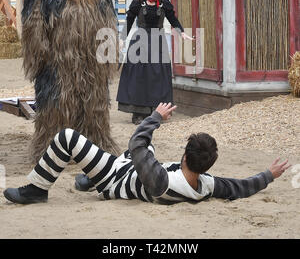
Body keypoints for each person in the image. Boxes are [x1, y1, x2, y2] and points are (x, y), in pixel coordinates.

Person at [3, 103, 290, 205]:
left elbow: (137, 143)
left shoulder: (162, 181)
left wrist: (154, 117)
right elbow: (239, 188)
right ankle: (89, 178)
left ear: (185, 158)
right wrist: (269, 175)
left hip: (116, 177)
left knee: (66, 138)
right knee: (145, 149)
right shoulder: (206, 185)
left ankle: (37, 190)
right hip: (130, 169)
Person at [21, 0, 120, 163]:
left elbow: (108, 17)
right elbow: (33, 20)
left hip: (92, 56)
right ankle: (53, 151)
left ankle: (94, 149)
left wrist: (108, 53)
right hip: (57, 57)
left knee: (94, 103)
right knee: (56, 104)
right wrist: (40, 53)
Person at [117, 0, 193, 125]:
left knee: (157, 78)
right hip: (140, 42)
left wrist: (182, 33)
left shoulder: (164, 3)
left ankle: (156, 111)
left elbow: (173, 20)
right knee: (138, 77)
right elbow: (130, 20)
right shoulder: (138, 2)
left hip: (158, 43)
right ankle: (138, 113)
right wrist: (122, 39)